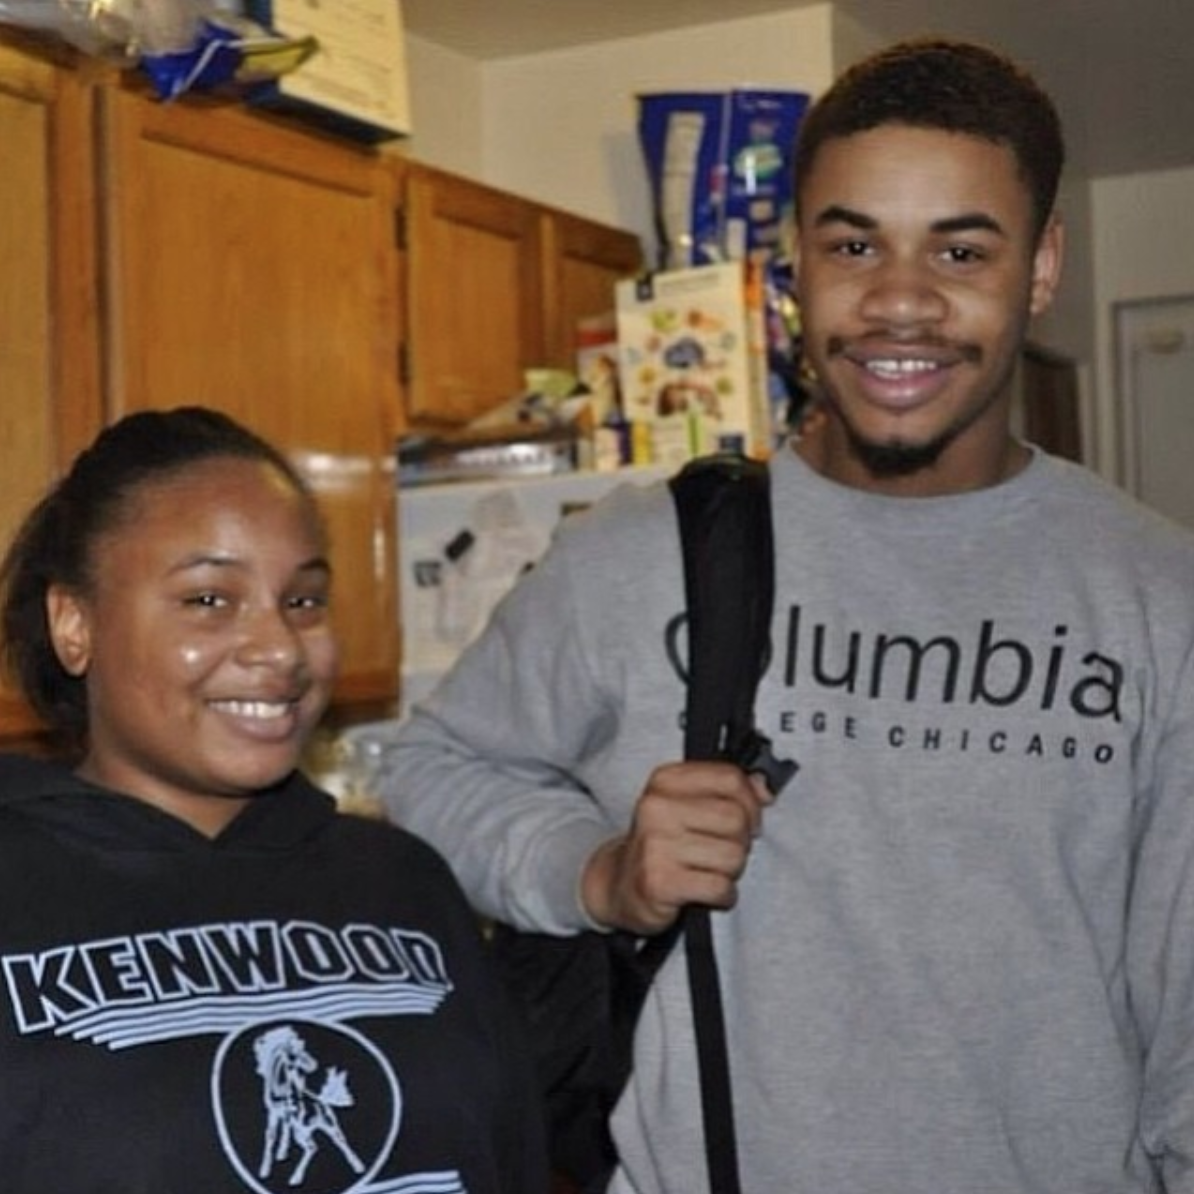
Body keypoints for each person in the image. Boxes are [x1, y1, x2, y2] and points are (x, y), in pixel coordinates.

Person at [378, 37, 1194, 1194]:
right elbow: (430, 769)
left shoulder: (1161, 600)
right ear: (794, 262)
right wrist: (597, 871)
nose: (900, 300)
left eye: (961, 249)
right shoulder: (645, 554)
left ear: (1044, 265)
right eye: (853, 243)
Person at [0, 406, 547, 1194]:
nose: (281, 649)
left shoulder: (404, 885)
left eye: (302, 601)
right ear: (74, 624)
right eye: (209, 600)